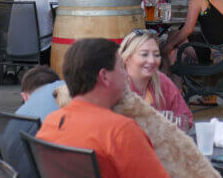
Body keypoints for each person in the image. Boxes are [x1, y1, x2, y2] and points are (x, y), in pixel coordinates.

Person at [36, 38, 169, 178]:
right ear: (104, 76)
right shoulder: (120, 131)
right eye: (121, 67)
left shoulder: (51, 122)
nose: (126, 75)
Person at [120, 30, 192, 127]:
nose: (152, 61)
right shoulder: (116, 88)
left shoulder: (162, 81)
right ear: (127, 58)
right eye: (144, 54)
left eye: (156, 55)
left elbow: (186, 118)